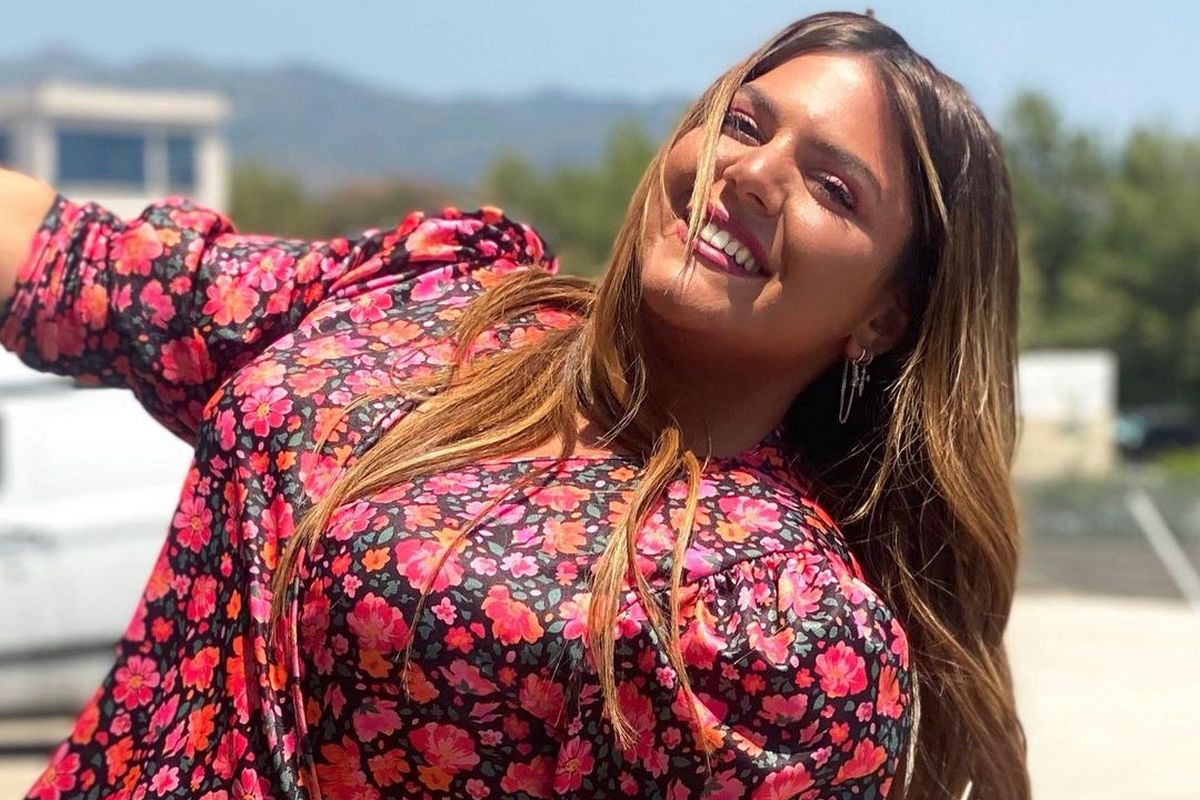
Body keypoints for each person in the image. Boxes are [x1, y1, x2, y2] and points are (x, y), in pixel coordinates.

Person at [0, 11, 1029, 800]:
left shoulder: (778, 624)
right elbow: (81, 265)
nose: (752, 173)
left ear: (885, 315)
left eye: (834, 188)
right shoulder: (442, 294)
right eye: (745, 123)